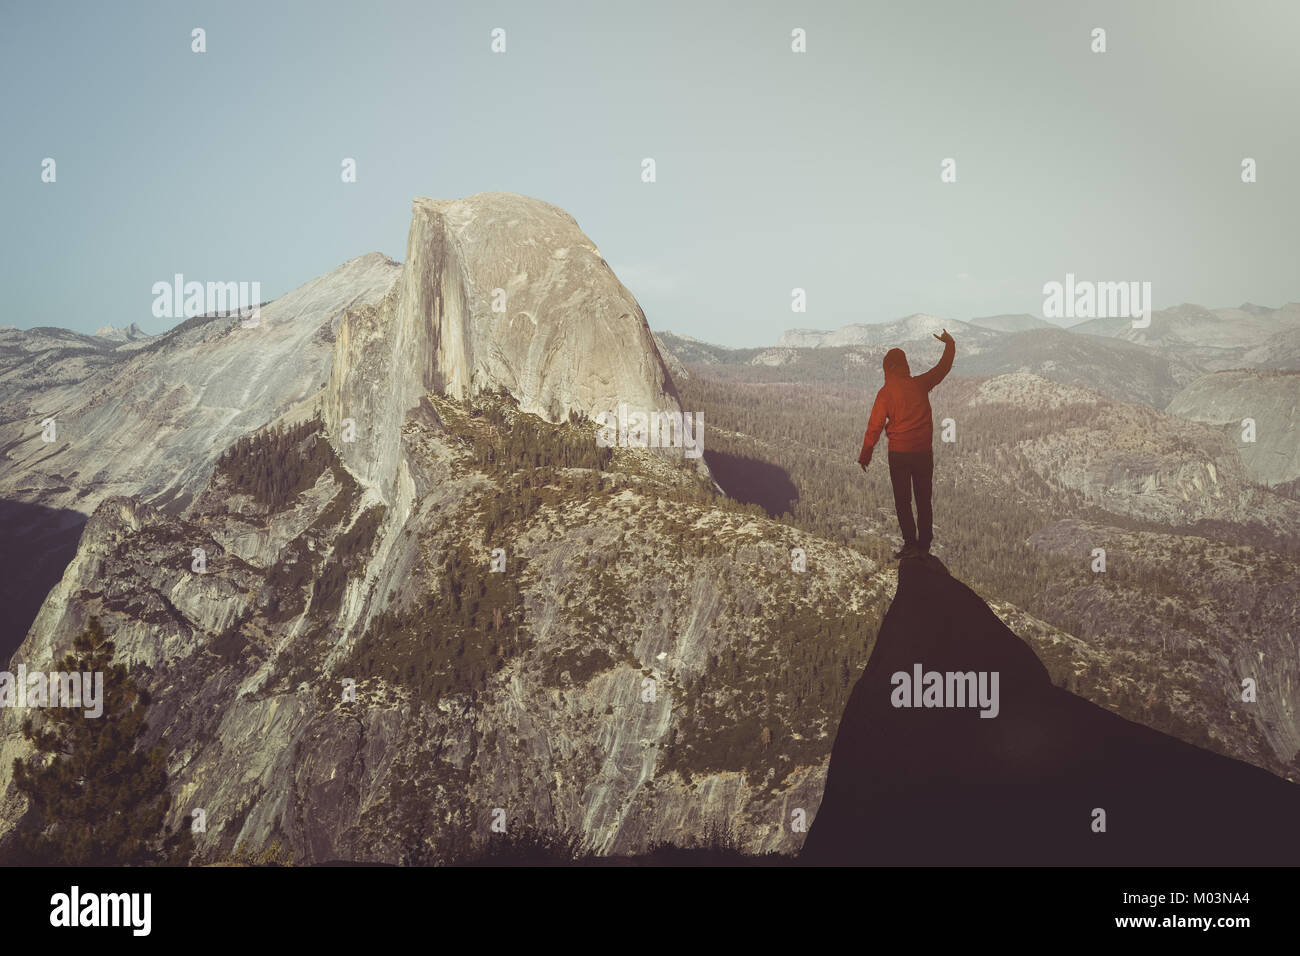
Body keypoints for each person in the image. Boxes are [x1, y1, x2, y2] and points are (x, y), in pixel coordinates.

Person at [857, 330, 956, 559]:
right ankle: (924, 545)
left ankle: (910, 543)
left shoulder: (885, 393)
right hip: (923, 453)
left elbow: (874, 427)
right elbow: (943, 368)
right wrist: (950, 344)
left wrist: (865, 455)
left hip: (899, 454)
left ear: (887, 368)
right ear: (904, 365)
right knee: (923, 499)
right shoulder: (920, 384)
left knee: (903, 501)